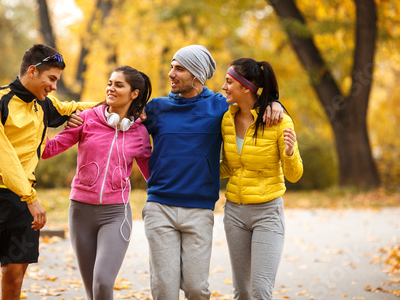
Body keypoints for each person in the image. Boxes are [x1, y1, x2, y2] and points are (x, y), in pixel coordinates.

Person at [141, 45, 285, 300]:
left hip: (199, 208)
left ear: (196, 75)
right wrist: (80, 116)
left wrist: (275, 103)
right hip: (159, 205)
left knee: (197, 289)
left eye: (179, 68)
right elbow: (122, 116)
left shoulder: (220, 107)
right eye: (172, 66)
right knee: (164, 289)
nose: (170, 73)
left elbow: (249, 104)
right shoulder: (156, 108)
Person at [0, 44, 95, 300]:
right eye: (51, 79)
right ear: (32, 71)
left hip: (22, 208)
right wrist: (30, 198)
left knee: (13, 282)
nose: (54, 86)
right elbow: (1, 153)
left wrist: (125, 104)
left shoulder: (43, 106)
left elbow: (77, 107)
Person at [42, 65, 152, 300]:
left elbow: (153, 176)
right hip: (80, 211)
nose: (111, 88)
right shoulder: (86, 118)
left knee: (103, 282)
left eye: (119, 85)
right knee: (92, 290)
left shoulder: (139, 133)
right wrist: (36, 124)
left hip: (115, 214)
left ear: (134, 94)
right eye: (110, 83)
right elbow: (48, 150)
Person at [220, 58, 303, 299]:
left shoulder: (279, 121)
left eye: (228, 82)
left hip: (267, 213)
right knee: (242, 291)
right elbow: (229, 167)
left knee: (260, 290)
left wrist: (289, 152)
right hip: (235, 212)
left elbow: (295, 175)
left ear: (246, 87)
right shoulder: (226, 118)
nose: (223, 87)